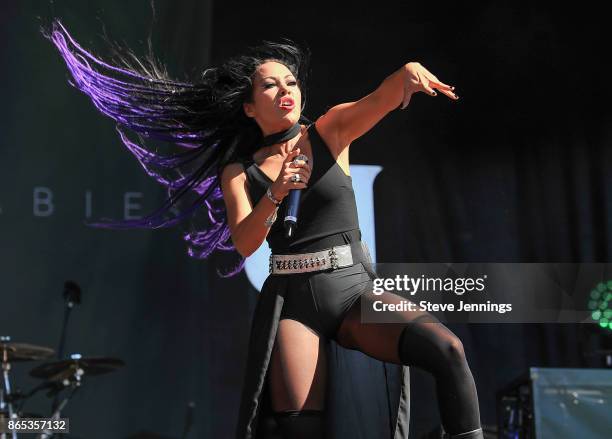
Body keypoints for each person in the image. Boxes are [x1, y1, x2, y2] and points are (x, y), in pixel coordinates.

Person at [44, 19, 482, 439]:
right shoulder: (239, 171)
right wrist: (275, 192)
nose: (284, 90)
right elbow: (245, 242)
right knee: (299, 426)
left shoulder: (330, 130)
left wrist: (405, 74)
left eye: (290, 82)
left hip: (351, 289)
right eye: (270, 85)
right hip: (293, 302)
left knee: (447, 350)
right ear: (250, 107)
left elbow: (379, 98)